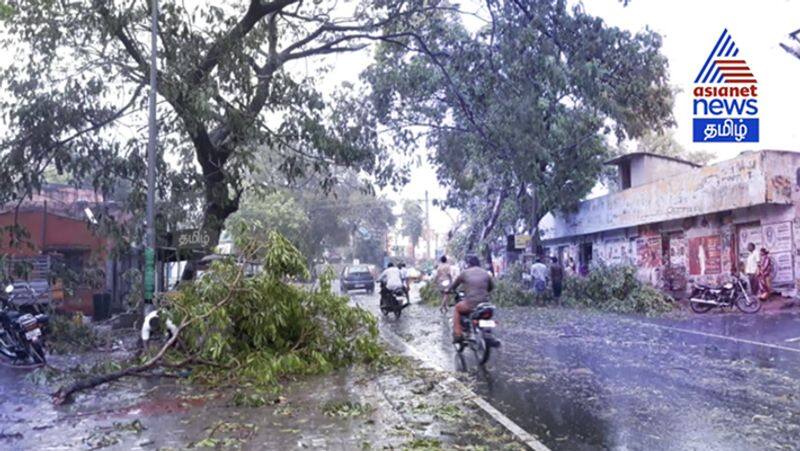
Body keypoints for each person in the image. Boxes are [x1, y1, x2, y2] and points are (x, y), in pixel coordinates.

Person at [449, 255, 494, 342]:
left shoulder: (465, 273)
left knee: (457, 308)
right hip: (485, 303)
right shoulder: (485, 273)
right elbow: (491, 287)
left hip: (471, 304)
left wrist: (450, 290)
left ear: (469, 264)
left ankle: (458, 334)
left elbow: (454, 285)